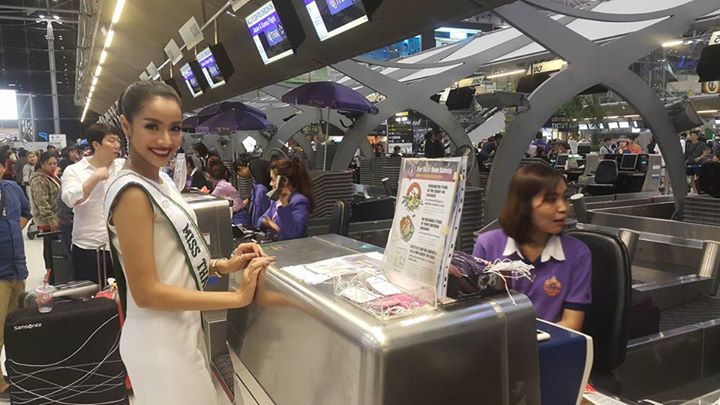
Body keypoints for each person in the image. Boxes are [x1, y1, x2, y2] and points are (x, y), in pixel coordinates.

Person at [107, 80, 274, 405]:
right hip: (159, 342)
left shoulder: (160, 180)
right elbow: (146, 292)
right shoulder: (132, 194)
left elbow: (171, 257)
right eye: (152, 126)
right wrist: (236, 297)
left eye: (174, 128)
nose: (165, 140)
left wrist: (220, 265)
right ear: (126, 126)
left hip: (181, 330)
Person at [472, 163, 592, 331]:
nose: (563, 208)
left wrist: (529, 342)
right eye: (551, 200)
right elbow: (477, 312)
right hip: (497, 341)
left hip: (552, 342)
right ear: (524, 205)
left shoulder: (577, 254)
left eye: (565, 198)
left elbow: (571, 324)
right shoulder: (488, 244)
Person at [61, 123, 124, 284]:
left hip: (122, 246)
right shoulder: (74, 171)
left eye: (118, 140)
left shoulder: (123, 166)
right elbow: (69, 200)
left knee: (123, 294)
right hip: (89, 247)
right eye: (111, 140)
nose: (117, 145)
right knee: (91, 295)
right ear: (96, 144)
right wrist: (94, 178)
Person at [0, 155, 32, 395]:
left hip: (17, 268)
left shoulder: (11, 188)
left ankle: (18, 372)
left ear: (3, 168)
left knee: (17, 328)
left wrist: (10, 232)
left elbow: (25, 212)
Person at [256, 157, 314, 241]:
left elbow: (293, 234)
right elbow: (260, 220)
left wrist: (285, 205)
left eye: (273, 180)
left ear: (283, 181)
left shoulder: (299, 201)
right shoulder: (276, 200)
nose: (270, 183)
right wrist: (266, 222)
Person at [29, 152, 61, 275]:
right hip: (48, 220)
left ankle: (57, 271)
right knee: (50, 246)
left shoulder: (51, 176)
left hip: (57, 217)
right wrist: (51, 220)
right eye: (50, 164)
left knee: (55, 246)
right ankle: (50, 272)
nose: (53, 166)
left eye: (55, 163)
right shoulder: (39, 179)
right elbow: (41, 202)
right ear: (42, 164)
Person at [206, 156, 249, 226]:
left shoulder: (222, 186)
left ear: (209, 175)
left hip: (238, 217)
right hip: (236, 215)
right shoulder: (222, 184)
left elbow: (209, 202)